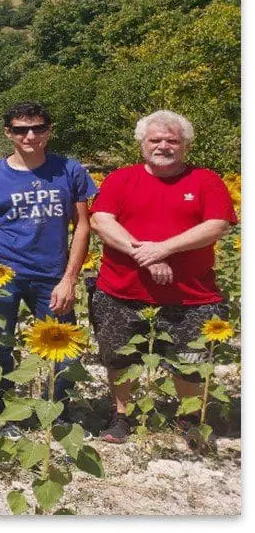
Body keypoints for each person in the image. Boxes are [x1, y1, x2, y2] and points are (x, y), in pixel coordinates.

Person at [88, 111, 236, 448]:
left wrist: (163, 249)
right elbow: (101, 220)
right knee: (118, 356)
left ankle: (188, 417)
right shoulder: (122, 179)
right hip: (122, 290)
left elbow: (217, 224)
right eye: (155, 140)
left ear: (186, 145)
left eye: (172, 141)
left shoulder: (205, 180)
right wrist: (145, 253)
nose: (163, 146)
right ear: (142, 143)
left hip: (191, 294)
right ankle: (122, 415)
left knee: (190, 359)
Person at [0, 102, 97, 428]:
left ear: (49, 130)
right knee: (0, 346)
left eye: (38, 128)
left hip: (52, 274)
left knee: (64, 347)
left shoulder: (69, 170)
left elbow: (82, 225)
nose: (30, 135)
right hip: (2, 275)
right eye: (21, 129)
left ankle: (57, 412)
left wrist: (69, 279)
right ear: (9, 133)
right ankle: (6, 415)